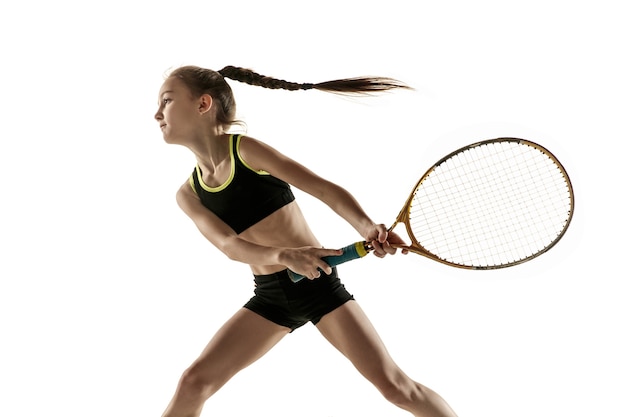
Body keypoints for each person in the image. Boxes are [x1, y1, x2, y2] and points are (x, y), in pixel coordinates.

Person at [154, 65, 458, 417]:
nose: (157, 113)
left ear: (203, 104)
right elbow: (229, 245)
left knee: (396, 388)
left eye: (167, 100)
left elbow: (323, 189)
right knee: (194, 382)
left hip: (316, 287)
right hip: (269, 297)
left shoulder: (247, 153)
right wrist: (284, 255)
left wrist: (366, 227)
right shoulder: (188, 194)